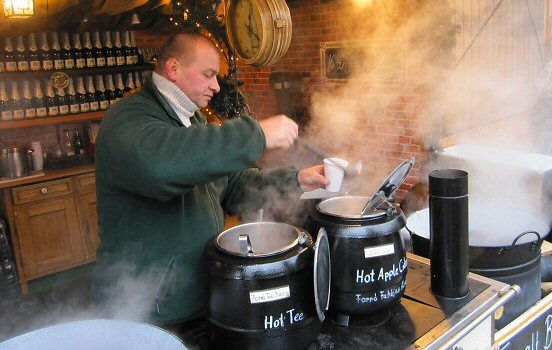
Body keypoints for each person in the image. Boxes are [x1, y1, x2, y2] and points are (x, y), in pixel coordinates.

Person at [92, 32, 328, 331]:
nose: (216, 86)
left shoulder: (194, 122)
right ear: (173, 69)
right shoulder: (126, 120)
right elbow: (163, 167)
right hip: (146, 309)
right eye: (208, 75)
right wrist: (255, 135)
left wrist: (298, 180)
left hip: (200, 295)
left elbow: (235, 186)